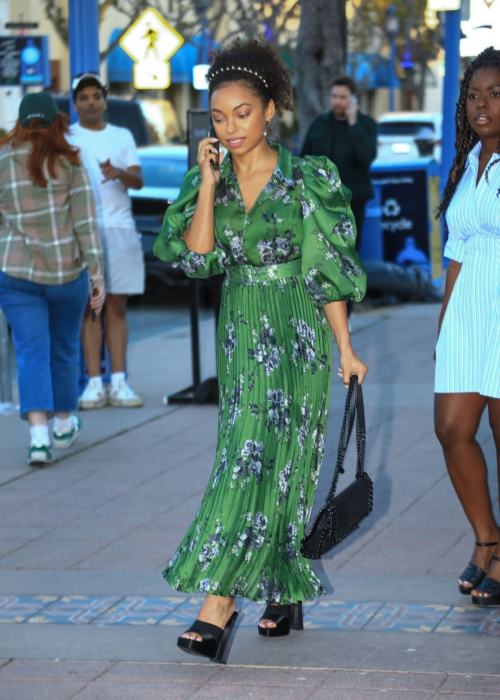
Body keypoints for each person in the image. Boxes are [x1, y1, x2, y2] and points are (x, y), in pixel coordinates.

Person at [154, 39, 368, 664]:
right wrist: (207, 185)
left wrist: (346, 348)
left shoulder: (308, 179)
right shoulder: (209, 181)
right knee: (243, 459)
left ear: (270, 109)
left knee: (287, 462)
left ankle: (222, 607)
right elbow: (196, 259)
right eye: (219, 117)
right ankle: (273, 587)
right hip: (244, 327)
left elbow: (324, 269)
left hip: (298, 328)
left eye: (242, 113)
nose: (231, 127)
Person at [0, 92, 104, 465]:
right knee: (63, 350)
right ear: (57, 123)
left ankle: (38, 437)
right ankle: (63, 425)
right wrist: (98, 276)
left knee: (31, 352)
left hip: (16, 274)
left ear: (22, 123)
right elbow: (87, 226)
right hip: (66, 274)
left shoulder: (2, 162)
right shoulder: (70, 165)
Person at [435, 46, 500, 607]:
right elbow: (456, 249)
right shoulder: (467, 161)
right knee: (452, 428)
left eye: (496, 94)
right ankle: (488, 537)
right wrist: (443, 324)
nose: (482, 104)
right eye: (474, 96)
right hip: (467, 312)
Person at [68, 73, 144, 409]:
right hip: (82, 230)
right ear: (75, 103)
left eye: (95, 96)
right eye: (83, 97)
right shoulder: (67, 137)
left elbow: (138, 181)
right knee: (90, 307)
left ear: (105, 100)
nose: (90, 102)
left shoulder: (122, 136)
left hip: (120, 227)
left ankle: (119, 383)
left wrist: (118, 172)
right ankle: (94, 384)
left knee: (116, 305)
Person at [300, 76, 378, 252]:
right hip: (322, 197)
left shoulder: (366, 125)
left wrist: (353, 124)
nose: (337, 101)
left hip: (353, 197)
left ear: (353, 98)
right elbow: (304, 158)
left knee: (349, 247)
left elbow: (366, 156)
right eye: (334, 96)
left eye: (343, 97)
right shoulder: (319, 124)